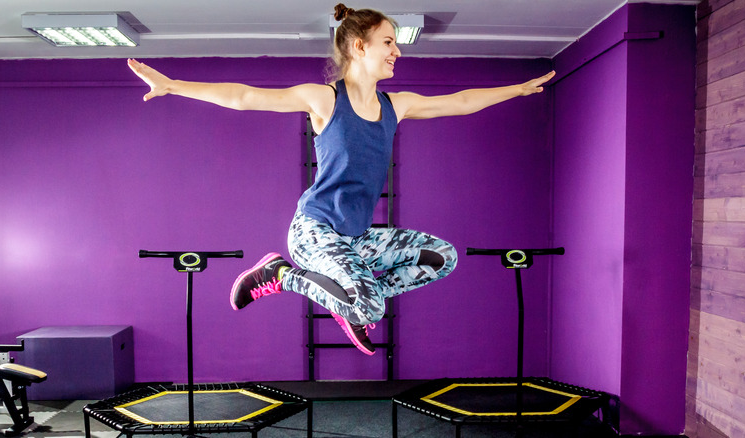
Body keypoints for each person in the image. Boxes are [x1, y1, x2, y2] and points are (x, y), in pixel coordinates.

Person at [127, 3, 555, 355]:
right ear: (358, 46)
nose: (396, 52)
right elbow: (244, 97)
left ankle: (347, 299)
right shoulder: (325, 99)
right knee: (371, 308)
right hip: (314, 231)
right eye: (388, 42)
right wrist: (175, 85)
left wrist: (515, 91)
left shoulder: (396, 105)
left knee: (442, 257)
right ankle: (279, 274)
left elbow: (459, 102)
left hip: (355, 238)